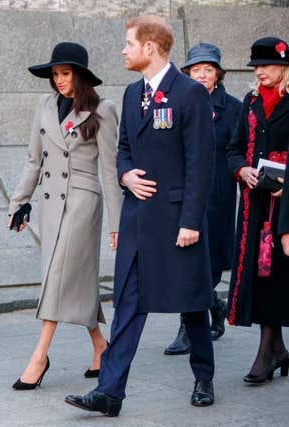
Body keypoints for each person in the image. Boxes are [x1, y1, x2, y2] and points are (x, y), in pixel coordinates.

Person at [65, 15, 216, 416]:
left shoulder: (190, 93)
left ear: (150, 47)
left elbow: (202, 162)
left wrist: (190, 221)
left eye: (128, 43)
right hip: (138, 218)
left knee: (192, 300)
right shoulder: (132, 95)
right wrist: (125, 173)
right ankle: (110, 391)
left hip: (176, 219)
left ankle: (203, 375)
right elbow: (123, 149)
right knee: (128, 304)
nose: (123, 50)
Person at [7, 42, 122, 390]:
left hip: (83, 203)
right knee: (71, 277)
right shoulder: (44, 105)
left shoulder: (102, 110)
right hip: (50, 203)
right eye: (55, 74)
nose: (59, 80)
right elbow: (33, 159)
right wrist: (19, 203)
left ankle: (39, 356)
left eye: (65, 73)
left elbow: (110, 170)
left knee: (57, 276)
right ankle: (101, 345)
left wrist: (117, 224)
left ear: (81, 76)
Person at [164, 42, 242, 355]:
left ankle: (188, 325)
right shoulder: (177, 101)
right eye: (196, 70)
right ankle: (214, 306)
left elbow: (238, 148)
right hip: (185, 192)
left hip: (218, 194)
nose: (202, 75)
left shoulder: (233, 107)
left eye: (208, 70)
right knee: (186, 259)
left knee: (207, 261)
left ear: (218, 74)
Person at [226, 36, 289, 384]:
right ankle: (276, 349)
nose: (260, 71)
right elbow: (233, 147)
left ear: (284, 67)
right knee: (258, 273)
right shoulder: (249, 102)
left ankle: (266, 353)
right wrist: (242, 169)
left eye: (266, 65)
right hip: (253, 205)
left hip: (284, 206)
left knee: (277, 276)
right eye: (257, 66)